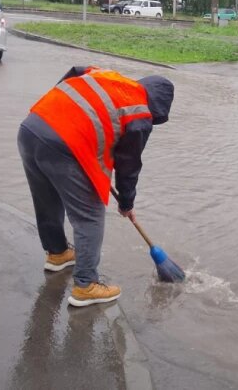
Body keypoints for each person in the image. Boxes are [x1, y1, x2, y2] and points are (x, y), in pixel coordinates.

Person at [17, 66, 174, 307]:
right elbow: (128, 164)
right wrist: (126, 203)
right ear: (158, 106)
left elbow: (76, 71)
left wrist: (62, 114)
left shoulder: (108, 77)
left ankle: (58, 253)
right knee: (89, 216)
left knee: (46, 199)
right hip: (63, 144)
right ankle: (86, 285)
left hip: (33, 127)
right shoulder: (140, 113)